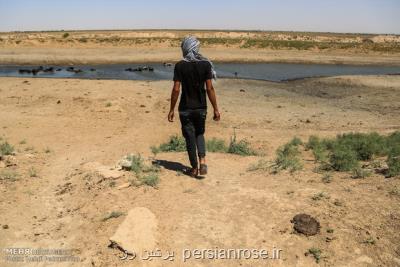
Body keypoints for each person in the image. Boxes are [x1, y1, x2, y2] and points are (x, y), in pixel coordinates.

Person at [168, 36, 220, 178]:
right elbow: (209, 89)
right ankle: (202, 160)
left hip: (185, 108)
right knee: (199, 134)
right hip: (201, 108)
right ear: (196, 48)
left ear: (185, 49)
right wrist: (215, 108)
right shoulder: (205, 65)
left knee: (189, 137)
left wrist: (171, 109)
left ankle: (195, 168)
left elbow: (176, 89)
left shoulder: (180, 66)